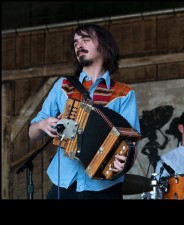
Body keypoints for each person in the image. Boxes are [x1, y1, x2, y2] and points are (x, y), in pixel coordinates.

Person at [29, 23, 140, 199]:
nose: (79, 45)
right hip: (64, 183)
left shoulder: (123, 93)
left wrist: (124, 162)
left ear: (104, 46)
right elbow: (32, 133)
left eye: (85, 40)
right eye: (75, 43)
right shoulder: (63, 86)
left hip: (104, 186)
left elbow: (131, 144)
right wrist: (42, 125)